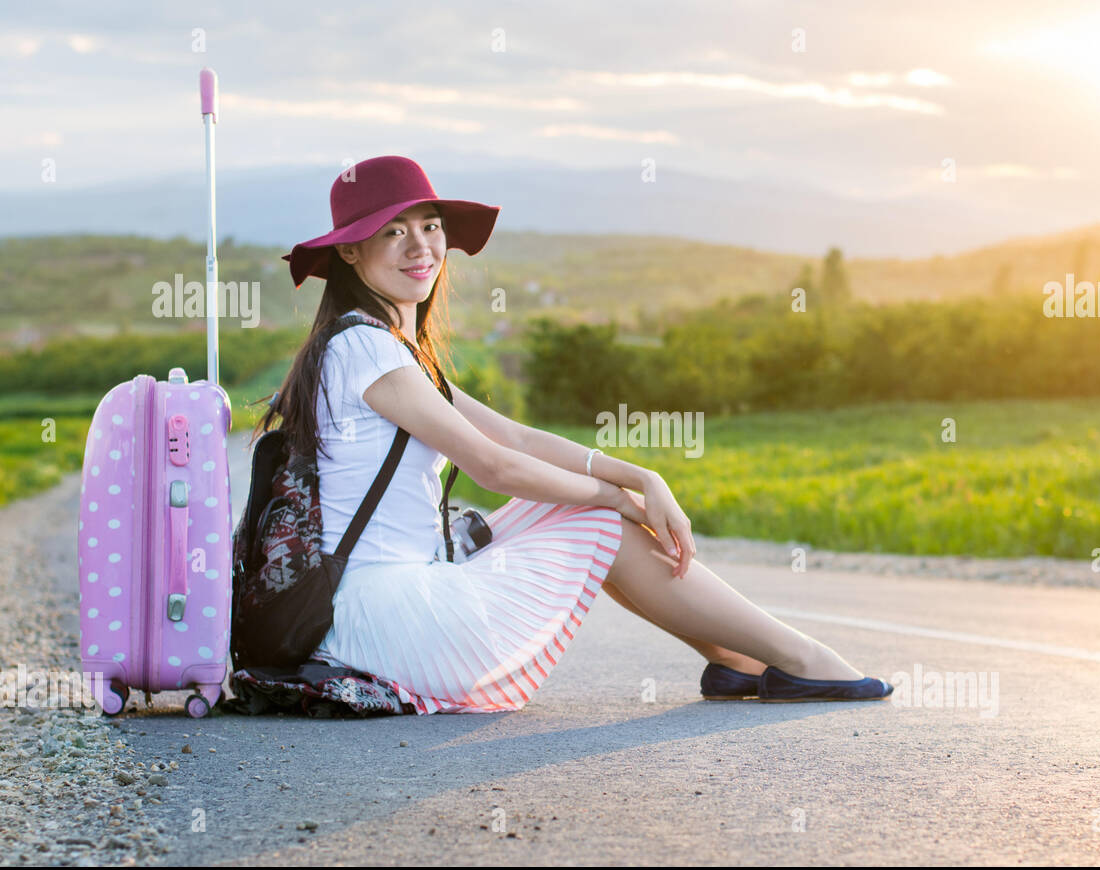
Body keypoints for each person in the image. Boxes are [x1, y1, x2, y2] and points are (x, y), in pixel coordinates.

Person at [261, 154, 893, 713]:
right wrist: (615, 499)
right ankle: (799, 656)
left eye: (429, 226)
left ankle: (738, 658)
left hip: (369, 612)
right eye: (391, 232)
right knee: (597, 520)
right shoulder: (368, 349)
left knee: (575, 503)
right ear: (350, 251)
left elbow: (519, 439)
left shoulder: (381, 346)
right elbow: (495, 468)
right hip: (385, 624)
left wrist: (641, 476)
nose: (419, 246)